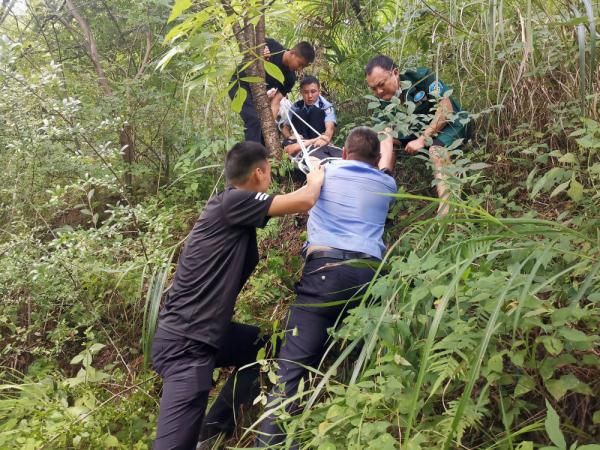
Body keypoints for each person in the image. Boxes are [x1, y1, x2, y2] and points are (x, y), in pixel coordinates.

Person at [151, 141, 325, 450]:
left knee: (262, 346)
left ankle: (213, 429)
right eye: (269, 171)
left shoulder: (232, 208)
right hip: (187, 342)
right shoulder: (233, 202)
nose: (270, 177)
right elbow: (305, 200)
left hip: (207, 333)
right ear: (259, 173)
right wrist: (316, 176)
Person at [256, 127, 397, 447]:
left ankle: (270, 443)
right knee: (365, 368)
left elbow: (307, 172)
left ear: (344, 153)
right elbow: (387, 166)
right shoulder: (387, 182)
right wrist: (388, 139)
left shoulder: (325, 169)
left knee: (290, 371)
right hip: (369, 278)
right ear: (375, 159)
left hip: (324, 272)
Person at [365, 55, 470, 216]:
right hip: (413, 133)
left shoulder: (421, 77)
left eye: (381, 84)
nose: (378, 91)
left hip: (450, 124)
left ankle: (447, 212)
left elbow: (446, 109)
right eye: (373, 88)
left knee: (436, 150)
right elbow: (384, 131)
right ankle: (383, 199)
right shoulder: (379, 101)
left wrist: (422, 139)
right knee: (383, 141)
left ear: (395, 73)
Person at [229, 39, 315, 143]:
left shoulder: (290, 78)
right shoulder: (271, 46)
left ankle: (260, 153)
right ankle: (252, 156)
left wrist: (270, 124)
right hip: (239, 85)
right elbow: (248, 45)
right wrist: (260, 53)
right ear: (292, 53)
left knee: (264, 125)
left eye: (303, 67)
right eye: (300, 64)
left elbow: (275, 102)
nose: (300, 69)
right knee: (254, 119)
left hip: (257, 96)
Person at [281, 75, 338, 158]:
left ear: (319, 91)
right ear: (301, 92)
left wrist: (325, 138)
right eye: (306, 92)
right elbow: (285, 127)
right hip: (301, 141)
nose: (310, 96)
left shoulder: (326, 106)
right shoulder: (296, 107)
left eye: (313, 91)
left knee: (315, 111)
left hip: (319, 140)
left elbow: (330, 128)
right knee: (299, 112)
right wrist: (290, 137)